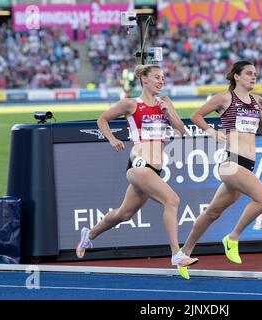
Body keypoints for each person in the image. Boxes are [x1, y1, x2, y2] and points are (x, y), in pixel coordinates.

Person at [76, 64, 198, 279]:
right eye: (157, 77)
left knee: (124, 214)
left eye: (163, 78)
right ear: (144, 79)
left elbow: (182, 130)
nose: (161, 81)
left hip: (155, 169)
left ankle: (90, 234)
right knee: (172, 200)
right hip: (139, 164)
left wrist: (168, 113)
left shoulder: (165, 102)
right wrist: (112, 139)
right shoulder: (131, 104)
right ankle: (176, 254)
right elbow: (102, 119)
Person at [179, 60, 262, 273]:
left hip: (246, 166)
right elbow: (196, 115)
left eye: (255, 74)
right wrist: (211, 132)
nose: (253, 76)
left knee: (213, 212)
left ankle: (184, 253)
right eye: (249, 73)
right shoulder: (225, 98)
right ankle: (232, 238)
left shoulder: (257, 101)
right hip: (231, 162)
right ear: (236, 76)